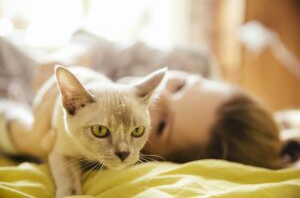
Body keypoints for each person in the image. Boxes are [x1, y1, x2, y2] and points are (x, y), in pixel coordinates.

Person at [1, 69, 289, 169]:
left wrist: (21, 133)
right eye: (182, 85)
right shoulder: (191, 60)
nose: (157, 97)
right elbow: (96, 41)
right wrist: (79, 52)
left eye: (162, 125)